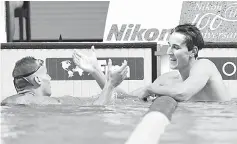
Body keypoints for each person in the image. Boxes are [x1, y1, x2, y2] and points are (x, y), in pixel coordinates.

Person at [73, 24, 230, 102]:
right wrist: (95, 72)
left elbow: (183, 93)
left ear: (193, 51)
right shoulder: (167, 79)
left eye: (175, 47)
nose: (169, 52)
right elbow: (125, 98)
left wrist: (150, 88)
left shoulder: (205, 66)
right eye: (169, 46)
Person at [1, 47, 128, 106]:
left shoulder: (7, 102)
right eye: (46, 74)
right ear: (38, 79)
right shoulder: (42, 103)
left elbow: (114, 99)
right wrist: (110, 84)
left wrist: (96, 71)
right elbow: (98, 110)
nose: (49, 78)